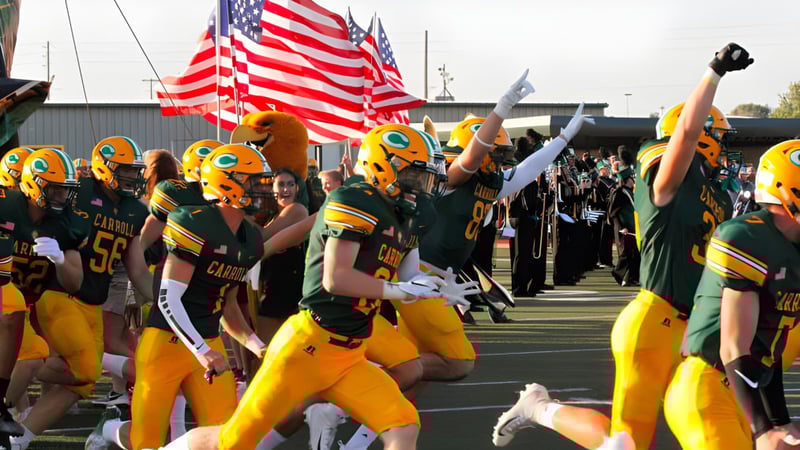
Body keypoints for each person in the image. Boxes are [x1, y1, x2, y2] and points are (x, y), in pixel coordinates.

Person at [492, 42, 753, 450]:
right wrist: (714, 72)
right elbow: (684, 135)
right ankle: (539, 408)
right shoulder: (665, 177)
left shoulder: (716, 196)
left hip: (697, 330)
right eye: (716, 135)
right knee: (625, 445)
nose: (722, 146)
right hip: (655, 322)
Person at [161, 123, 479, 450]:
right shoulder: (355, 201)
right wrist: (402, 291)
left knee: (404, 427)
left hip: (351, 352)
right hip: (308, 344)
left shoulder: (404, 212)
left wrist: (432, 287)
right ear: (384, 169)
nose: (422, 186)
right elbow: (336, 278)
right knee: (231, 442)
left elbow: (404, 276)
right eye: (414, 176)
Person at [103, 144, 270, 450]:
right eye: (254, 181)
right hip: (166, 344)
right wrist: (203, 350)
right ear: (227, 184)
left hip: (208, 341)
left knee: (230, 439)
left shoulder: (251, 238)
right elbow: (168, 300)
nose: (265, 188)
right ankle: (112, 431)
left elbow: (229, 307)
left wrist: (260, 348)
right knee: (146, 442)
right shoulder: (193, 222)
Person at [665, 140, 800, 450]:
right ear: (790, 192)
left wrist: (779, 421)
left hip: (745, 389)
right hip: (707, 386)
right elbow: (733, 348)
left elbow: (767, 349)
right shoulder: (748, 238)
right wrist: (763, 428)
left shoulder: (791, 248)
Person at [6, 149, 88, 449]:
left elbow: (75, 282)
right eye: (54, 189)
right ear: (32, 185)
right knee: (31, 356)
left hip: (32, 306)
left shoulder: (67, 223)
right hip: (6, 299)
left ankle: (18, 418)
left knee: (77, 373)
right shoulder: (7, 211)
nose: (60, 197)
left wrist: (60, 260)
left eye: (65, 189)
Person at [608, 166, 638, 287]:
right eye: (632, 178)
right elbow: (613, 213)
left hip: (633, 226)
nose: (633, 180)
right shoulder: (619, 193)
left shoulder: (631, 191)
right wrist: (621, 227)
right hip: (624, 228)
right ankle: (618, 273)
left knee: (635, 254)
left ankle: (632, 278)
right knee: (627, 253)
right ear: (626, 179)